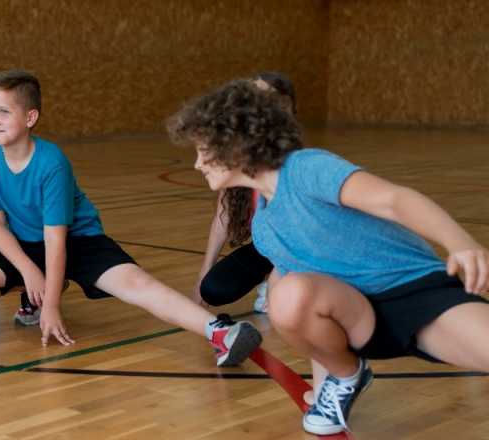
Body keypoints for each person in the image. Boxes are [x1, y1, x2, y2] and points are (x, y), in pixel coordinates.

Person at [168, 79, 489, 435]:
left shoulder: (305, 168)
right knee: (283, 292)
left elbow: (395, 200)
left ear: (237, 144)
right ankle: (347, 376)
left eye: (203, 150)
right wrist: (327, 385)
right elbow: (304, 305)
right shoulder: (264, 225)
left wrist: (459, 240)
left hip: (418, 294)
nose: (197, 164)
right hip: (360, 320)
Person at [0, 70, 263, 369]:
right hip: (24, 243)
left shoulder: (52, 162)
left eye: (3, 112)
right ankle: (35, 293)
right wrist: (29, 273)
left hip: (78, 241)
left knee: (138, 285)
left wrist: (52, 304)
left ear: (30, 117)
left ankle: (219, 331)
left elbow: (56, 240)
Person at [193, 72, 297, 313]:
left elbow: (299, 235)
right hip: (268, 246)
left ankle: (287, 279)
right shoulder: (238, 156)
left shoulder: (294, 162)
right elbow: (223, 215)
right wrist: (203, 272)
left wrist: (277, 284)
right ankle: (273, 274)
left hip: (302, 249)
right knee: (213, 288)